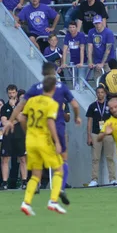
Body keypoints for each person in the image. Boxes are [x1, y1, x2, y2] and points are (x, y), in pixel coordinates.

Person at [8, 63, 81, 194]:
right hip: (58, 127)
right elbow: (75, 105)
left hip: (40, 130)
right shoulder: (61, 87)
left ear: (42, 74)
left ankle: (36, 183)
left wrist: (10, 121)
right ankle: (61, 187)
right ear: (55, 72)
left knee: (38, 157)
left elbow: (20, 105)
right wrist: (77, 117)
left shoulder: (36, 87)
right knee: (62, 158)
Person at [19, 75, 67, 216]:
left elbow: (22, 117)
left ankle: (26, 203)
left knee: (35, 174)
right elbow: (51, 123)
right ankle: (53, 201)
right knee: (59, 169)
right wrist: (57, 142)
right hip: (43, 141)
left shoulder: (31, 100)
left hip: (30, 141)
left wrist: (27, 132)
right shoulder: (52, 103)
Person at [86, 86, 116, 186]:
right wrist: (89, 136)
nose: (100, 94)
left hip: (107, 135)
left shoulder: (109, 106)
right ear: (96, 94)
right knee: (95, 158)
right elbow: (89, 122)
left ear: (105, 94)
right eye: (98, 92)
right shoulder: (92, 106)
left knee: (110, 157)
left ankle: (112, 179)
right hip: (96, 134)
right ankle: (94, 179)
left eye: (102, 92)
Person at [0, 85, 27, 190]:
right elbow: (3, 121)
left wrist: (14, 108)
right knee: (5, 158)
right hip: (8, 135)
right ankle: (5, 182)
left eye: (13, 93)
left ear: (16, 93)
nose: (12, 95)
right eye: (10, 93)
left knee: (23, 158)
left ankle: (24, 181)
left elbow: (21, 118)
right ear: (7, 94)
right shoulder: (4, 107)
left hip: (20, 135)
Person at [61, 22, 87, 89]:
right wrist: (63, 63)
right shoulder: (67, 36)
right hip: (73, 61)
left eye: (73, 27)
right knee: (74, 83)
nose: (72, 29)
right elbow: (64, 50)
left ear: (76, 28)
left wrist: (81, 63)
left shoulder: (81, 35)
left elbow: (82, 49)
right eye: (70, 27)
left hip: (82, 61)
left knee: (81, 82)